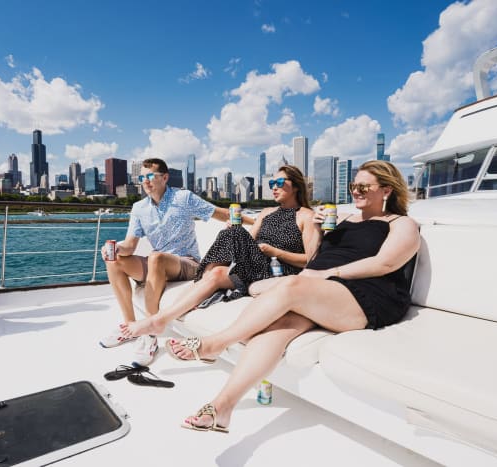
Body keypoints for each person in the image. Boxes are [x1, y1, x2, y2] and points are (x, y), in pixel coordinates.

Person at [168, 160, 420, 432]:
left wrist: (326, 274)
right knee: (274, 330)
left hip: (367, 293)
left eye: (363, 186)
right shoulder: (344, 220)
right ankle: (222, 409)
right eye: (352, 185)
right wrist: (323, 233)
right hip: (320, 291)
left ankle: (215, 344)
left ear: (386, 190)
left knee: (289, 287)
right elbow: (315, 258)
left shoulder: (401, 223)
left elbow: (385, 264)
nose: (355, 191)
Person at [120, 165, 319, 341]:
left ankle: (161, 317)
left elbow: (311, 262)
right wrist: (233, 227)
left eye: (279, 182)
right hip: (254, 266)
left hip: (278, 271)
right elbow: (248, 241)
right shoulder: (266, 213)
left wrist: (275, 251)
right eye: (272, 182)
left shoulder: (306, 217)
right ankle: (165, 315)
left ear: (295, 185)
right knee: (225, 247)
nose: (273, 186)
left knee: (233, 235)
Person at [99, 158, 247, 366]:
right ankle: (130, 326)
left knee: (156, 257)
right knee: (115, 261)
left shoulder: (183, 197)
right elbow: (130, 246)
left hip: (188, 264)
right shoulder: (139, 208)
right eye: (141, 177)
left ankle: (150, 335)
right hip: (158, 263)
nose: (145, 181)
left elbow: (219, 213)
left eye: (150, 176)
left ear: (165, 177)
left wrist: (257, 221)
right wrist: (114, 250)